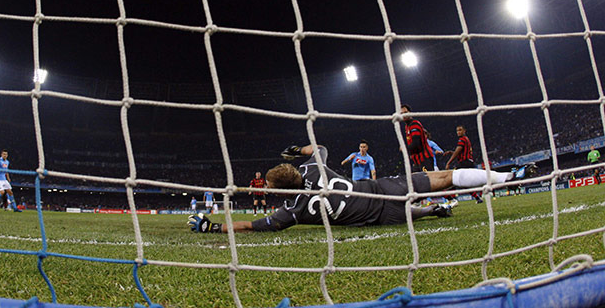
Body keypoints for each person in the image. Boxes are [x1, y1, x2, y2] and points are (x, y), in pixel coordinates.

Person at [188, 144, 536, 233]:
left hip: (379, 217)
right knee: (441, 179)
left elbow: (249, 226)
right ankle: (509, 178)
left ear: (279, 190)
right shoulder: (315, 166)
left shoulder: (290, 211)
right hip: (382, 188)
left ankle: (433, 212)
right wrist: (297, 150)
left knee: (409, 217)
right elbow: (318, 146)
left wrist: (212, 226)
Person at [445, 125, 483, 203]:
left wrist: (449, 162)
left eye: (460, 130)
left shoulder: (462, 140)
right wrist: (451, 152)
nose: (458, 132)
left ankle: (451, 199)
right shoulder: (466, 139)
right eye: (457, 131)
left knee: (453, 178)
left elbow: (458, 151)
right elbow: (461, 152)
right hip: (469, 162)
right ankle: (478, 197)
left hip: (464, 162)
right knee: (464, 182)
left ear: (464, 131)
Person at [400, 104, 434, 172]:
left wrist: (405, 148)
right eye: (401, 113)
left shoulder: (414, 124)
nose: (404, 115)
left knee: (427, 181)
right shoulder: (407, 127)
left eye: (405, 112)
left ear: (410, 113)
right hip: (417, 160)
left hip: (424, 158)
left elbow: (416, 143)